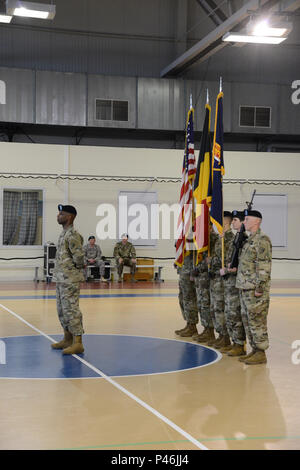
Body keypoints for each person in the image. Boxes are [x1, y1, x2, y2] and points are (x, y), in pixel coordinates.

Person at [235, 209, 272, 365]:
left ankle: (261, 352)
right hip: (245, 287)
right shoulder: (249, 240)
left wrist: (260, 287)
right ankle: (254, 350)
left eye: (247, 219)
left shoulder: (262, 240)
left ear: (257, 221)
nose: (244, 222)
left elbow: (263, 266)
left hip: (255, 289)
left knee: (257, 320)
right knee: (248, 320)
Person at [51, 204, 85, 355]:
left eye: (61, 214)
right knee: (62, 310)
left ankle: (78, 342)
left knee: (71, 309)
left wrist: (73, 270)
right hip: (60, 278)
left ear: (69, 217)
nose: (58, 216)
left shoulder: (73, 235)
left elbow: (78, 257)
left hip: (70, 279)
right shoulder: (63, 233)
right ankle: (67, 338)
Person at [219, 211, 246, 356]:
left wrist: (229, 269)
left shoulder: (243, 239)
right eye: (233, 219)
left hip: (235, 283)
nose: (234, 223)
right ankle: (234, 342)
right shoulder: (236, 238)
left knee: (235, 314)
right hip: (229, 282)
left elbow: (241, 264)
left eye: (236, 220)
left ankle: (239, 344)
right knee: (230, 313)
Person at [206, 213, 231, 349]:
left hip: (222, 279)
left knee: (222, 308)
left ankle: (225, 337)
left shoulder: (230, 238)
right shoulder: (221, 238)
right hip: (215, 277)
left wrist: (213, 261)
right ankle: (221, 335)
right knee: (215, 308)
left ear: (225, 222)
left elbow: (226, 258)